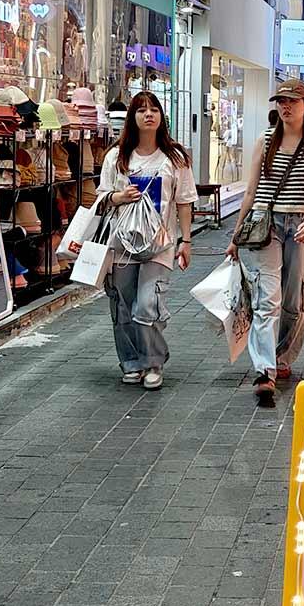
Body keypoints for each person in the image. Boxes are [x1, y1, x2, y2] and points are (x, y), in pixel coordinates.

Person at [228, 79, 304, 403]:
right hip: (267, 226)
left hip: (302, 224)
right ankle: (265, 370)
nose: (285, 107)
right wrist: (236, 235)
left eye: (291, 101)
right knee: (267, 299)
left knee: (294, 301)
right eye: (280, 102)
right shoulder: (265, 140)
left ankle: (282, 356)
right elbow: (250, 190)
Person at [95, 90, 196, 389]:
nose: (148, 114)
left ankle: (153, 362)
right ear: (132, 118)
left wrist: (186, 242)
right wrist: (118, 196)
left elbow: (184, 202)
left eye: (154, 109)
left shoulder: (174, 158)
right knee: (123, 306)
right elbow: (100, 199)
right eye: (141, 110)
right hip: (122, 244)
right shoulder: (117, 156)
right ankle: (131, 362)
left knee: (146, 305)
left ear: (162, 117)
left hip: (159, 245)